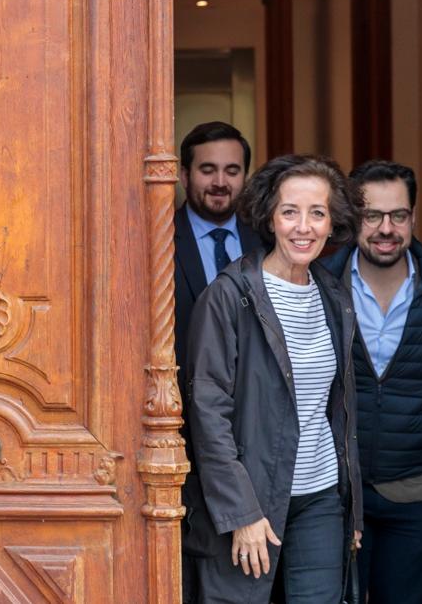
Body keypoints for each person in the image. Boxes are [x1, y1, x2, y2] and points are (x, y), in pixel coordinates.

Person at [182, 154, 364, 603]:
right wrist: (241, 511)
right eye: (290, 212)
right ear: (269, 217)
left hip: (320, 497)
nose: (304, 227)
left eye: (317, 213)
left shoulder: (333, 296)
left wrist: (351, 507)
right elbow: (208, 411)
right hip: (251, 499)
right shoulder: (227, 296)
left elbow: (339, 409)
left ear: (332, 223)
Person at [321, 160, 422, 604]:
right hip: (333, 493)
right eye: (372, 216)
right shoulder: (320, 283)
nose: (385, 229)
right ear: (352, 220)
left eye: (398, 215)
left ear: (413, 217)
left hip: (416, 494)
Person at [173, 122, 262, 601]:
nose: (220, 181)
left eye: (232, 170)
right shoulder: (154, 241)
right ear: (185, 174)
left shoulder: (269, 242)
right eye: (208, 169)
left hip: (253, 438)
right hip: (175, 437)